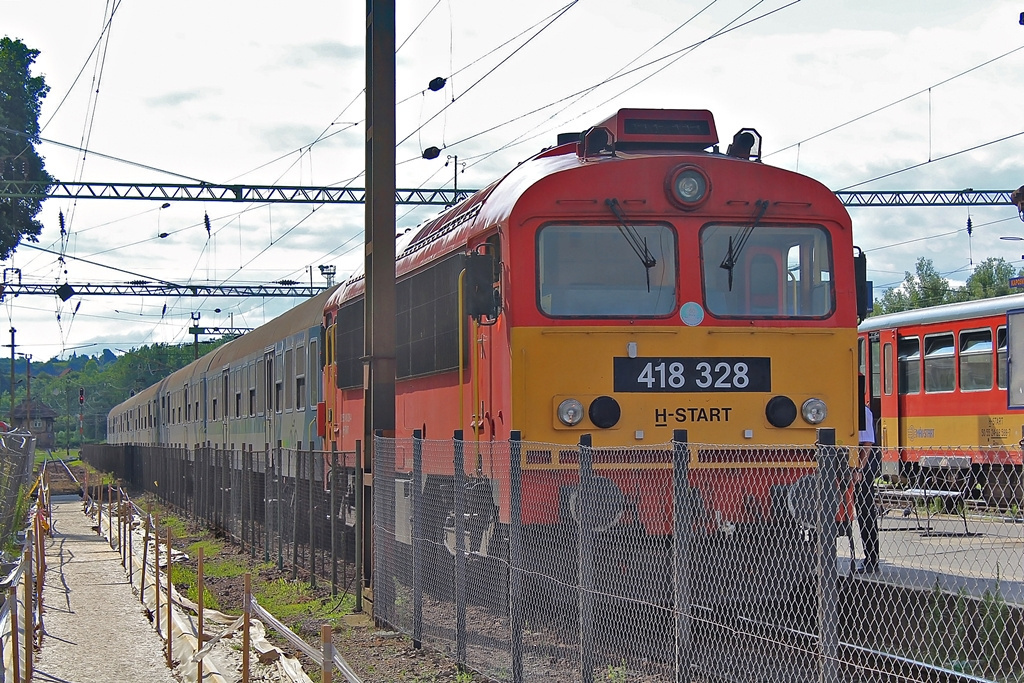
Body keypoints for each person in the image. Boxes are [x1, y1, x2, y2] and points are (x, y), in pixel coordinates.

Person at [854, 402, 881, 573]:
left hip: (862, 468)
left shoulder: (862, 411)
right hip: (851, 466)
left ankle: (872, 558)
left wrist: (860, 469)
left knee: (865, 511)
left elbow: (867, 444)